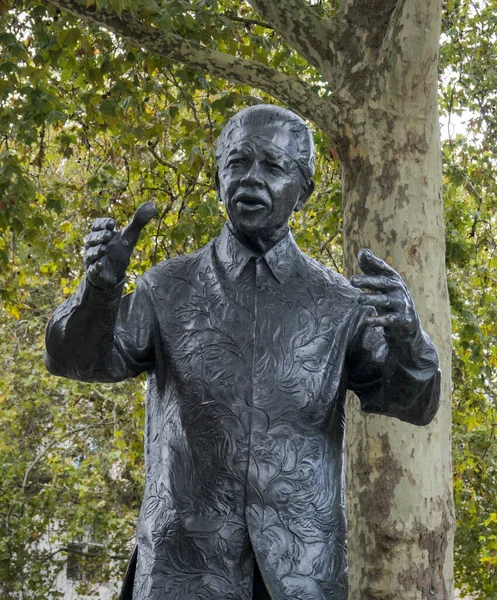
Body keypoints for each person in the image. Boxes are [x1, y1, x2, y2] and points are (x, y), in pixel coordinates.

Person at [45, 104, 440, 600]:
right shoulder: (167, 287)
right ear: (218, 178)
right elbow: (74, 359)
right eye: (237, 163)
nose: (251, 179)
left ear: (304, 191)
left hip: (301, 576)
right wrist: (99, 291)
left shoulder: (342, 306)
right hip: (183, 571)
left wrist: (408, 336)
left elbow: (415, 403)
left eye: (273, 166)